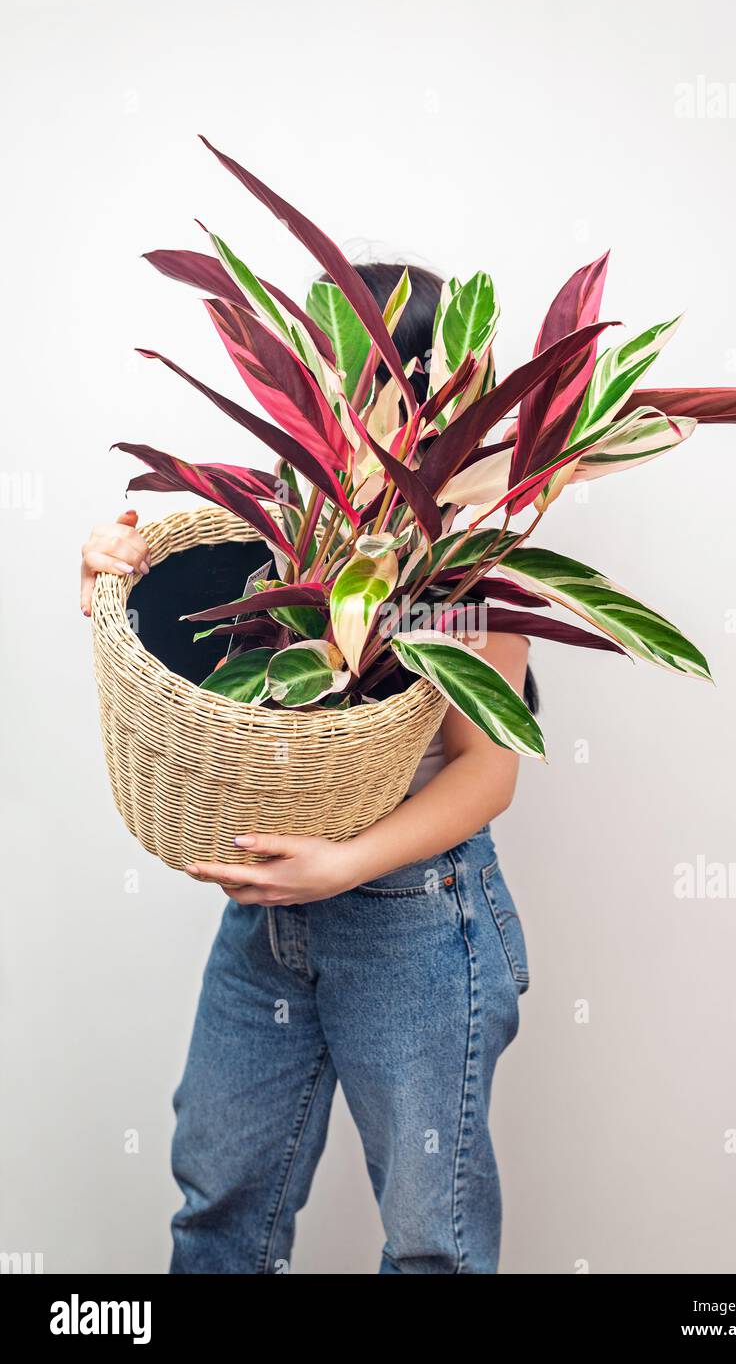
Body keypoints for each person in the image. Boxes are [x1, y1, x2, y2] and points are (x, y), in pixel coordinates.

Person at [80, 264, 534, 1275]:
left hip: (418, 916)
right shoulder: (287, 529)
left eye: (356, 371)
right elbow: (191, 648)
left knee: (433, 1244)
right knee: (219, 1204)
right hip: (266, 913)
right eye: (312, 364)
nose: (326, 392)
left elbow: (486, 771)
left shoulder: (465, 564)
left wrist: (341, 865)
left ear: (426, 399)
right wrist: (107, 575)